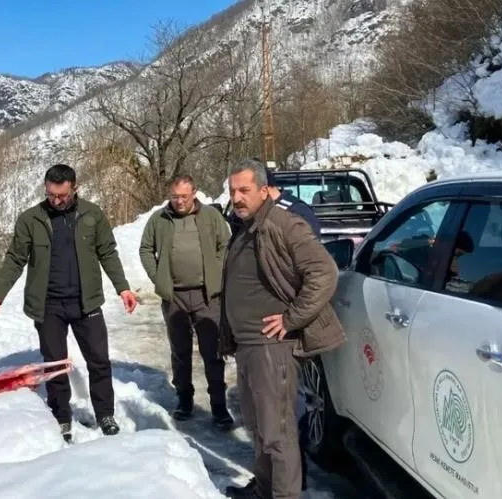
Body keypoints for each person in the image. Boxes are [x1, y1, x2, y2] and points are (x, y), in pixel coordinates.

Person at [0, 164, 138, 442]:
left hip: (86, 303)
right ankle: (62, 416)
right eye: (51, 195)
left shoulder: (92, 215)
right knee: (54, 364)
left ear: (74, 188)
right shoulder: (31, 219)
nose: (55, 201)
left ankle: (105, 413)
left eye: (62, 196)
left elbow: (108, 252)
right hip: (48, 305)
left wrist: (122, 288)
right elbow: (15, 260)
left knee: (99, 361)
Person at [221, 158, 346, 499]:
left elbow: (324, 272)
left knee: (278, 433)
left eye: (245, 190)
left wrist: (292, 319)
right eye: (233, 191)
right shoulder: (247, 227)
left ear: (264, 190)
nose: (237, 197)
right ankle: (264, 491)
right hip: (248, 345)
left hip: (272, 347)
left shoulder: (282, 224)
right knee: (259, 428)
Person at [138, 174, 233, 430]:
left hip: (207, 295)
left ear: (194, 193)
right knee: (180, 352)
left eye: (184, 196)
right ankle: (184, 400)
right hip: (175, 296)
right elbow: (146, 248)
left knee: (213, 352)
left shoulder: (211, 217)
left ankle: (219, 406)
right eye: (175, 196)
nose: (179, 201)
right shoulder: (159, 219)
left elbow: (225, 244)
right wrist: (158, 277)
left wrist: (217, 271)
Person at [265, 168, 321, 236]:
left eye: (248, 190)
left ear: (264, 189)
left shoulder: (297, 210)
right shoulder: (259, 212)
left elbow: (309, 244)